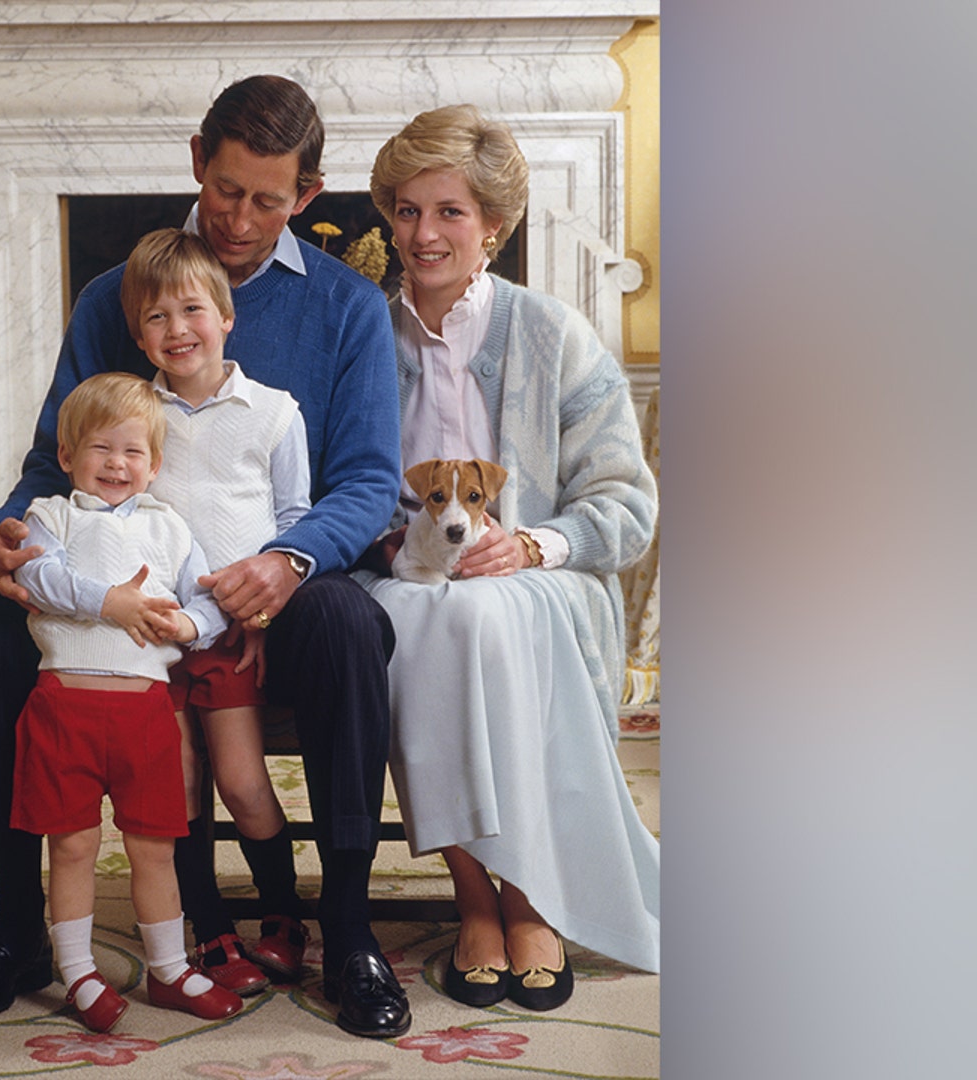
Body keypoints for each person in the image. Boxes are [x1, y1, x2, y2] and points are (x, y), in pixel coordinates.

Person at [0, 75, 410, 1039]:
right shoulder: (117, 295)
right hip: (131, 587)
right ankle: (21, 922)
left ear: (307, 196)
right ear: (197, 160)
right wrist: (3, 531)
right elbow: (55, 459)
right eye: (226, 188)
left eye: (267, 200)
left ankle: (347, 924)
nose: (238, 219)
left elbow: (366, 482)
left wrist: (287, 562)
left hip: (283, 582)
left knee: (349, 622)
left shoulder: (348, 308)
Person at [356, 104, 661, 1011]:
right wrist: (389, 542)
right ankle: (474, 893)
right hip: (409, 579)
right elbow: (329, 484)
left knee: (481, 614)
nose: (424, 234)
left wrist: (530, 543)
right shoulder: (363, 335)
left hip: (542, 583)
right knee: (421, 615)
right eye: (408, 211)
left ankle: (526, 895)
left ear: (493, 223)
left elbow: (628, 506)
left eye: (449, 212)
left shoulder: (552, 333)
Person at [7, 372, 244, 1031]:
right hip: (66, 709)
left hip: (145, 715)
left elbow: (208, 601)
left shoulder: (171, 528)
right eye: (100, 448)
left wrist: (188, 626)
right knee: (73, 846)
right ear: (67, 456)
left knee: (154, 847)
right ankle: (78, 972)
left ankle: (168, 969)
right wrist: (109, 602)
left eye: (133, 451)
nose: (116, 464)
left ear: (155, 464)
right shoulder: (50, 516)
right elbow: (39, 576)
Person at [119, 228, 313, 997]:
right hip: (156, 635)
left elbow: (295, 521)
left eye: (192, 309)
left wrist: (264, 617)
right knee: (180, 780)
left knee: (241, 781)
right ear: (139, 335)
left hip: (235, 632)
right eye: (156, 317)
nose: (177, 330)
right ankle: (210, 926)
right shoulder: (136, 417)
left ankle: (283, 912)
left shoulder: (273, 413)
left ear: (227, 317)